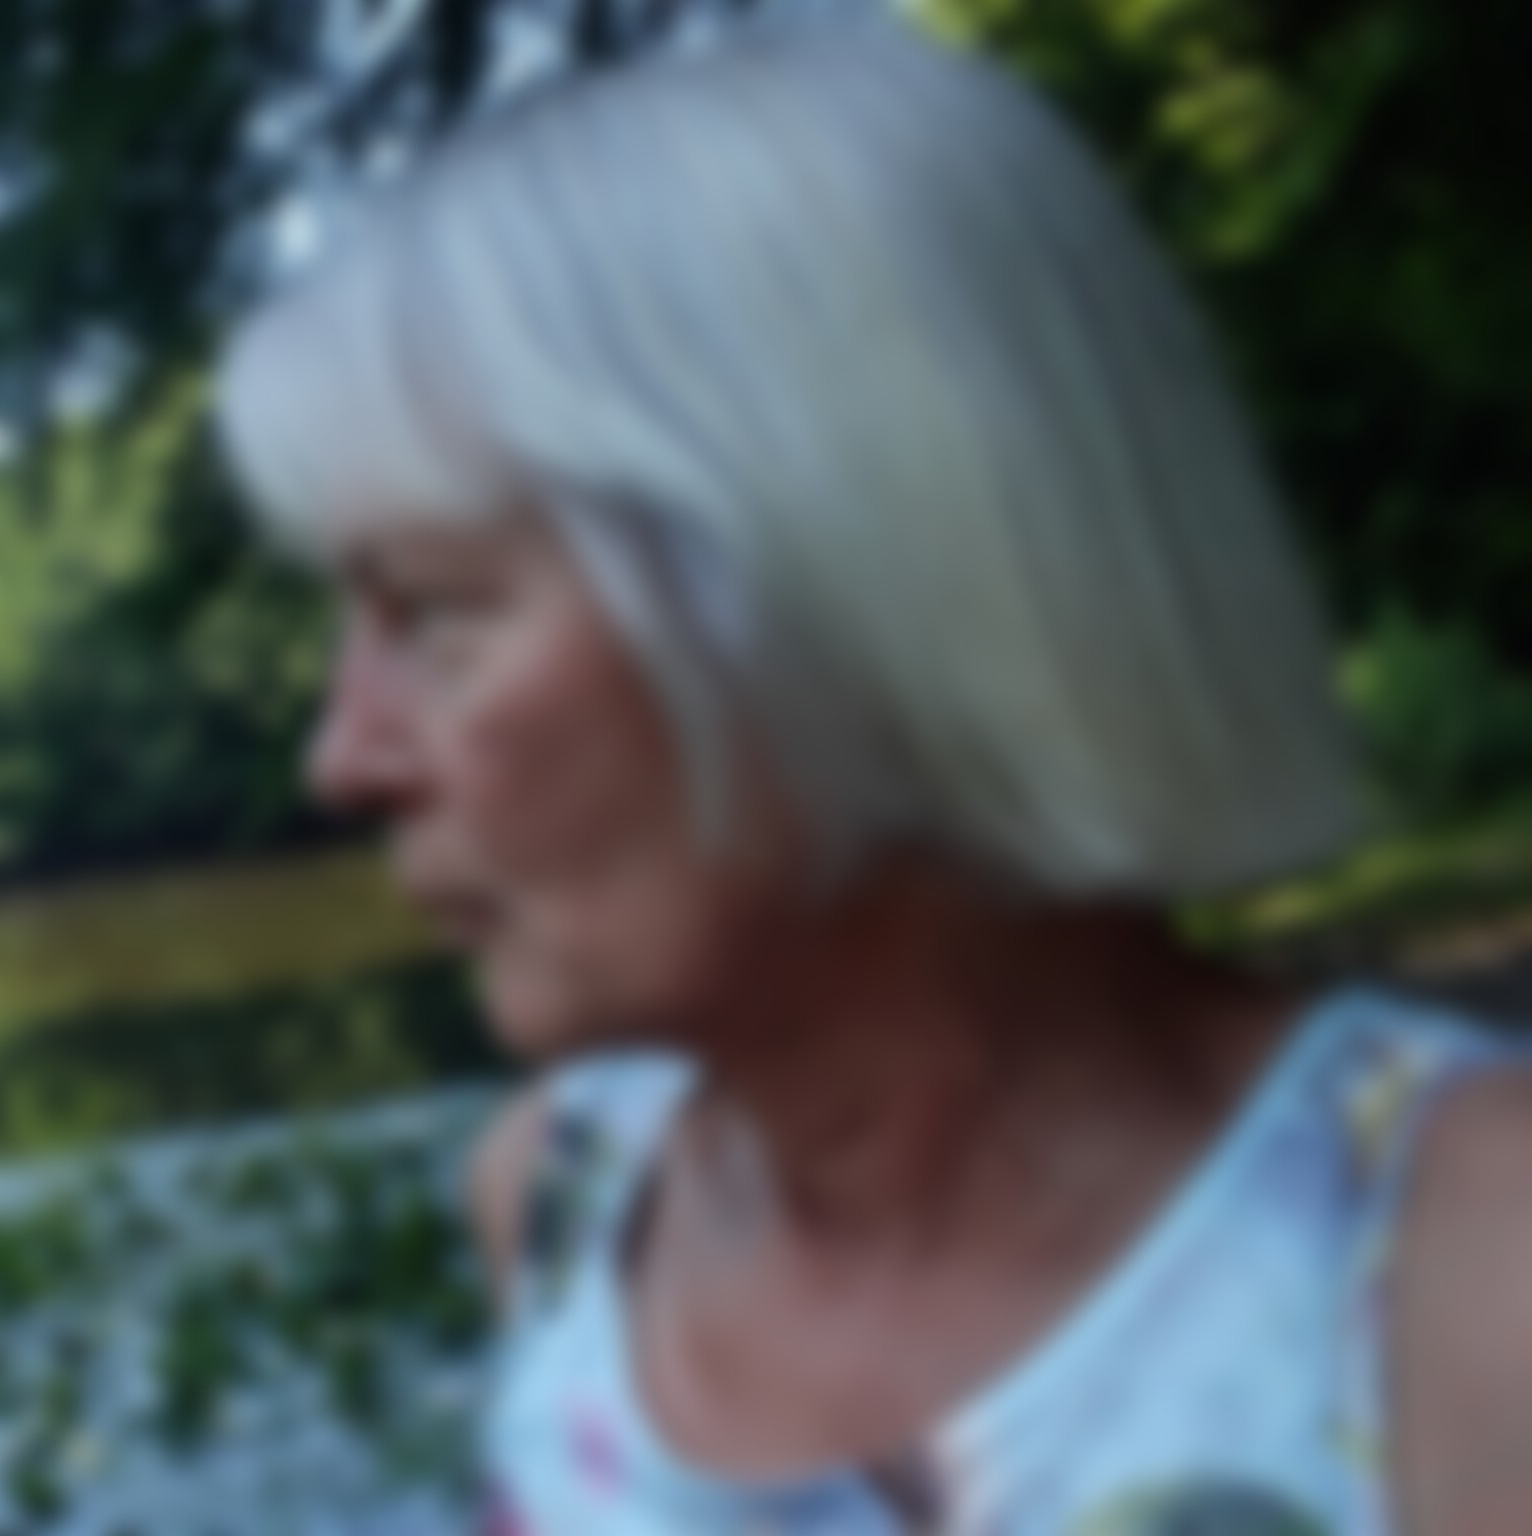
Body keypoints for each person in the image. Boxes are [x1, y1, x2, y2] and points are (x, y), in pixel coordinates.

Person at [215, 15, 1532, 1534]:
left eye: (434, 614)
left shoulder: (1465, 1271)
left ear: (843, 593)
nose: (343, 760)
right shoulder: (565, 1194)